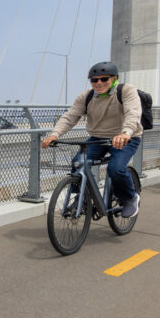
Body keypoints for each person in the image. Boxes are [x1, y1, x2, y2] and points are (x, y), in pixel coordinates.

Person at [41, 61, 143, 217]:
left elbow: (133, 113)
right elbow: (70, 117)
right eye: (94, 80)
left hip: (126, 138)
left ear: (114, 78)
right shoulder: (86, 96)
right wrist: (54, 134)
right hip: (98, 138)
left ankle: (130, 197)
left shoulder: (126, 91)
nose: (99, 83)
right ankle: (81, 198)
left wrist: (126, 132)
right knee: (78, 162)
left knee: (115, 168)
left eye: (104, 79)